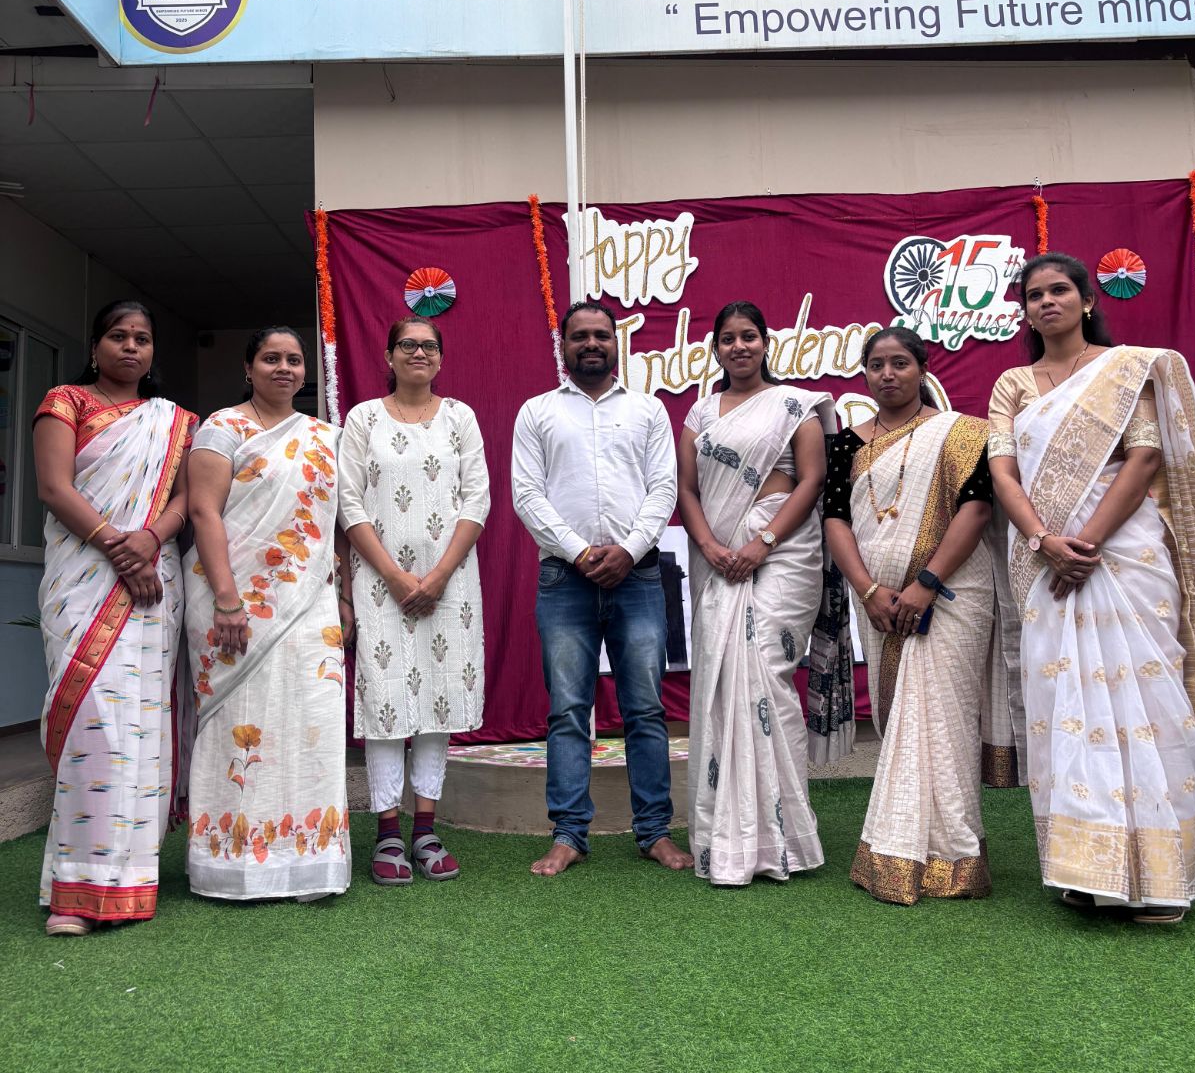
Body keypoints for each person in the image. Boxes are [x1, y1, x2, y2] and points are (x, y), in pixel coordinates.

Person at [989, 253, 1195, 925]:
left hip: (1125, 553)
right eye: (1034, 295)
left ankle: (1160, 880)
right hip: (1046, 561)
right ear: (1025, 311)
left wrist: (1087, 543)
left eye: (1059, 290)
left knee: (1146, 698)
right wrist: (1044, 542)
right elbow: (1003, 472)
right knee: (1065, 705)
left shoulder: (1124, 368)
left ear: (1086, 300)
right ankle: (1088, 871)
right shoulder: (1013, 384)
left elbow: (1145, 455)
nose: (1046, 301)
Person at [512, 302, 692, 876]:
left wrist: (629, 550)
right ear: (563, 346)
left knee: (645, 709)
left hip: (638, 577)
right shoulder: (537, 411)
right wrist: (581, 552)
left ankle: (655, 832)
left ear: (617, 344)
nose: (591, 343)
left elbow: (664, 488)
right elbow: (526, 495)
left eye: (601, 335)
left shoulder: (648, 410)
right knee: (568, 710)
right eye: (580, 336)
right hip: (565, 579)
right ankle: (568, 834)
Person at [33, 300, 194, 935]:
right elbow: (54, 488)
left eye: (142, 339)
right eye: (119, 336)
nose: (131, 347)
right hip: (83, 579)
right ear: (95, 345)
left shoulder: (174, 421)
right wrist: (118, 548)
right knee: (93, 724)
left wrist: (150, 540)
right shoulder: (65, 402)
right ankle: (75, 891)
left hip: (153, 583)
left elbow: (188, 496)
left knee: (142, 723)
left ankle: (130, 880)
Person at [825, 327, 995, 905]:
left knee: (943, 716)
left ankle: (951, 855)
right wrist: (869, 589)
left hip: (953, 595)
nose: (888, 374)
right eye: (876, 365)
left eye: (900, 363)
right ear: (864, 374)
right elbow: (836, 520)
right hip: (876, 600)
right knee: (900, 715)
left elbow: (976, 508)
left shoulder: (962, 434)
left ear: (922, 369)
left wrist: (926, 583)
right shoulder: (845, 444)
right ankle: (914, 845)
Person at [678, 301, 843, 886]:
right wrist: (710, 545)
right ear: (715, 349)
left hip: (784, 551)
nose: (739, 346)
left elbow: (813, 479)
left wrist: (763, 542)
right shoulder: (701, 413)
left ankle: (783, 836)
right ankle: (728, 837)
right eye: (728, 339)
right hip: (718, 555)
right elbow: (688, 490)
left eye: (749, 336)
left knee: (768, 673)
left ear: (766, 343)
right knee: (725, 682)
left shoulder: (796, 404)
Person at [185, 328, 351, 903]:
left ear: (306, 371)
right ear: (248, 367)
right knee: (242, 720)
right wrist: (228, 599)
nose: (284, 367)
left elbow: (339, 524)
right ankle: (233, 865)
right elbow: (203, 512)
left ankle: (309, 862)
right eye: (271, 358)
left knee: (313, 717)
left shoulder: (326, 436)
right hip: (232, 600)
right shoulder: (222, 428)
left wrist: (345, 596)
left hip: (311, 599)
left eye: (294, 360)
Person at [339, 316, 490, 885]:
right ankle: (386, 831)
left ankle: (425, 828)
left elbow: (478, 498)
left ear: (441, 359)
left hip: (452, 582)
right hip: (380, 581)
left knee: (438, 696)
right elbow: (348, 501)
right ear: (389, 355)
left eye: (429, 346)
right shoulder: (363, 419)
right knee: (385, 698)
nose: (418, 353)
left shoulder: (460, 418)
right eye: (407, 344)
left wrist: (439, 574)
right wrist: (394, 576)